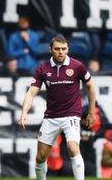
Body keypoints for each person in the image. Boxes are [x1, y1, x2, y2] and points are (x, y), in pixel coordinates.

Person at [18, 36, 96, 180]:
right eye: (57, 49)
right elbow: (31, 92)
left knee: (73, 148)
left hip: (71, 115)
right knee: (40, 157)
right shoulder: (43, 68)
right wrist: (24, 113)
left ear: (68, 49)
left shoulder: (77, 66)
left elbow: (90, 86)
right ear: (50, 50)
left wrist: (91, 112)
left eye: (64, 49)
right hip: (51, 117)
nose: (61, 52)